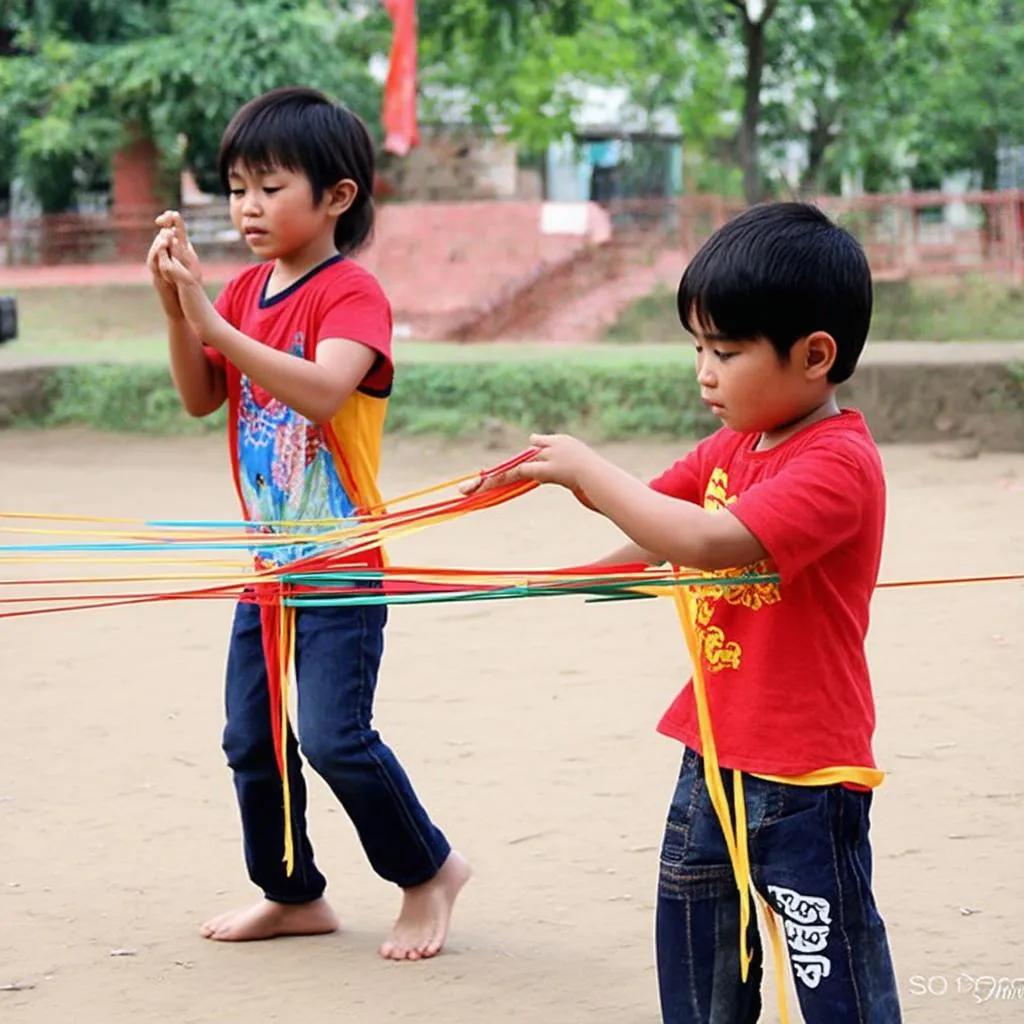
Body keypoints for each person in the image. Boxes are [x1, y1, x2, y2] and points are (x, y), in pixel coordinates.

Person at [467, 203, 902, 1022]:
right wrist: (556, 575)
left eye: (726, 351)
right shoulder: (735, 445)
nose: (704, 370)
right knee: (701, 967)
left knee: (834, 978)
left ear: (815, 356)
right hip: (713, 750)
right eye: (698, 347)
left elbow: (704, 541)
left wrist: (584, 466)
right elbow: (652, 529)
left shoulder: (840, 465)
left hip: (805, 778)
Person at [146, 86, 470, 961]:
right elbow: (198, 396)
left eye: (269, 186)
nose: (247, 206)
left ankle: (428, 871)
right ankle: (291, 894)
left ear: (337, 197)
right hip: (267, 566)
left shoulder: (352, 294)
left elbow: (325, 388)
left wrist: (210, 317)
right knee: (250, 738)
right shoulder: (247, 289)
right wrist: (181, 312)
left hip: (341, 562)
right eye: (236, 187)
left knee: (334, 737)